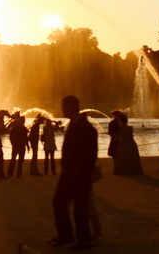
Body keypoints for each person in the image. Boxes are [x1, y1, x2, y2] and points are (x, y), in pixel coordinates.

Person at [50, 95, 98, 250]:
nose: (62, 109)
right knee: (59, 202)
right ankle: (66, 236)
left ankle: (83, 240)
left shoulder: (85, 127)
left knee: (80, 206)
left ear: (71, 107)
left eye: (64, 106)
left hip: (79, 173)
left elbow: (91, 152)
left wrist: (79, 169)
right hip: (69, 171)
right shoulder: (75, 124)